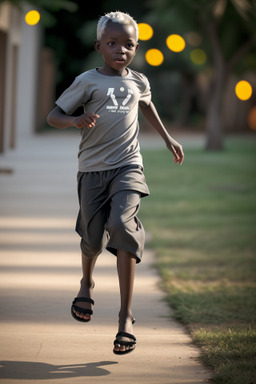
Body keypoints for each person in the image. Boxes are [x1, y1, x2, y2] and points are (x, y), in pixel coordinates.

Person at [47, 11, 184, 355]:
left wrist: (168, 139)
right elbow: (53, 116)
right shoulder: (87, 81)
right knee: (92, 241)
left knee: (123, 225)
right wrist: (76, 120)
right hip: (92, 170)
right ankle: (86, 282)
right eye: (112, 44)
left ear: (135, 48)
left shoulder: (138, 81)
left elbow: (147, 106)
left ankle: (125, 316)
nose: (120, 50)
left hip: (128, 166)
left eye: (128, 45)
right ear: (99, 46)